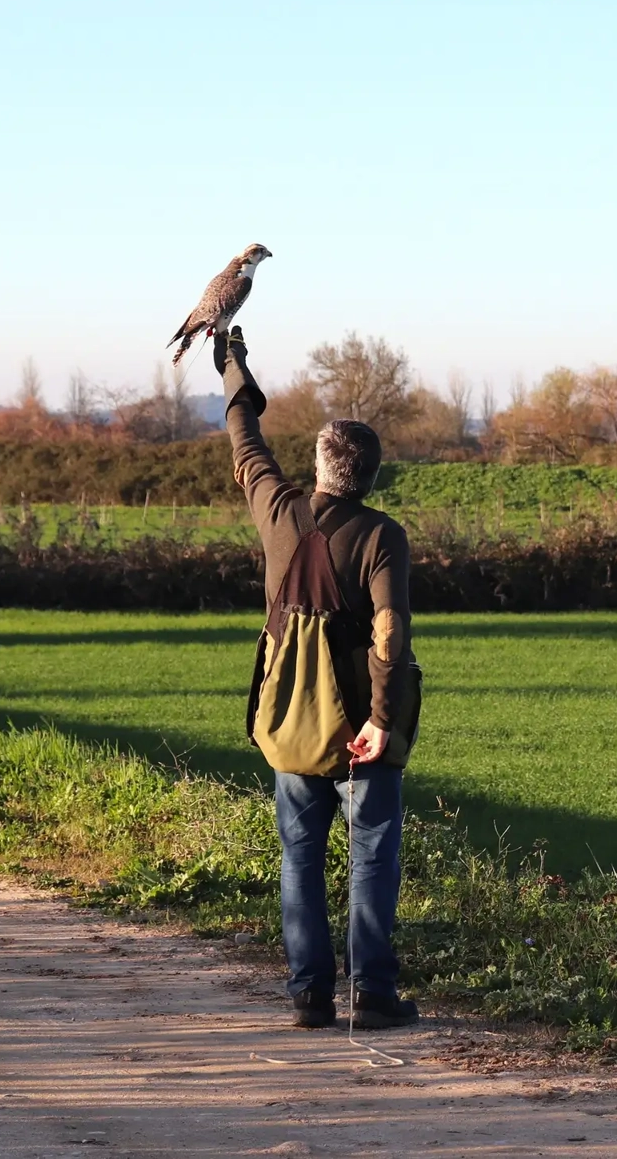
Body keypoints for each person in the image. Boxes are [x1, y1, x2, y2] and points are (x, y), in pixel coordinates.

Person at [214, 326, 423, 1030]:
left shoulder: (279, 510)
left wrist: (231, 366)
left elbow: (247, 444)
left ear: (321, 464)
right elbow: (389, 630)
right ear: (371, 473)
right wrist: (383, 719)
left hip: (289, 729)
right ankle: (373, 997)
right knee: (371, 863)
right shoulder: (382, 535)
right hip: (363, 733)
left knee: (299, 861)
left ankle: (309, 998)